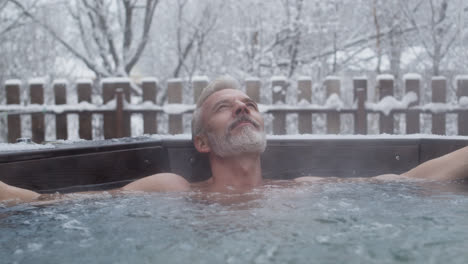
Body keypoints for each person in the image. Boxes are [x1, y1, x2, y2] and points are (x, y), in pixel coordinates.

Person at [1, 76, 468, 204]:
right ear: (202, 143)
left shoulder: (300, 190)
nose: (244, 107)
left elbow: (404, 182)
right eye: (225, 107)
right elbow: (52, 204)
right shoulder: (172, 191)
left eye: (249, 103)